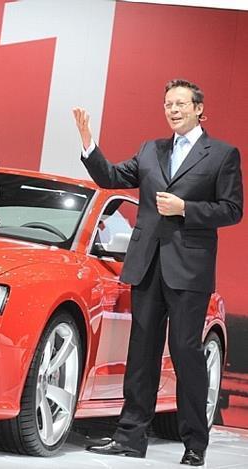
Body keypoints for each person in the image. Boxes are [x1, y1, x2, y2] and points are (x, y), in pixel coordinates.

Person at [72, 79, 243, 466]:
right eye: (168, 103)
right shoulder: (151, 149)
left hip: (189, 270)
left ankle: (195, 443)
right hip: (147, 265)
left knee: (186, 353)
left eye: (181, 103)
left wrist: (185, 208)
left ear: (199, 108)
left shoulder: (221, 154)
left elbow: (232, 209)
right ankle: (130, 437)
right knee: (141, 354)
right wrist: (88, 144)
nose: (173, 109)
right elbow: (111, 177)